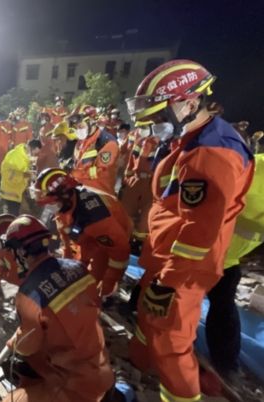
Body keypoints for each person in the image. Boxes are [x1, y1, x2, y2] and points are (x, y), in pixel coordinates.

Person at [126, 59, 254, 402]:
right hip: (165, 253)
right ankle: (139, 362)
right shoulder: (189, 140)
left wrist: (168, 281)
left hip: (185, 266)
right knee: (147, 314)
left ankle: (180, 394)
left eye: (157, 116)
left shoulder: (212, 152)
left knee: (171, 340)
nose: (153, 125)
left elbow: (201, 231)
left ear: (188, 102)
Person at [0, 215, 114, 402]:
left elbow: (27, 347)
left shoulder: (29, 294)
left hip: (77, 390)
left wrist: (14, 343)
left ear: (20, 252)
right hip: (103, 373)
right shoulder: (78, 268)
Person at [206, 151, 264, 378]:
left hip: (228, 254)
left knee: (222, 305)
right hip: (208, 245)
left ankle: (226, 363)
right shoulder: (254, 165)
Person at [33, 168, 131, 297]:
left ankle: (103, 296)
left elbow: (120, 250)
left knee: (91, 284)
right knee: (75, 277)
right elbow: (67, 237)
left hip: (110, 240)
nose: (49, 207)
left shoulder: (95, 217)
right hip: (87, 236)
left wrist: (110, 280)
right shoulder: (66, 205)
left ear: (64, 197)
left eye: (51, 203)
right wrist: (67, 265)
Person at [119, 125, 160, 252]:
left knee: (145, 220)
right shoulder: (139, 139)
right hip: (134, 181)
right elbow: (132, 159)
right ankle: (125, 240)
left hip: (151, 183)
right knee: (125, 213)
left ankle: (140, 245)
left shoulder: (162, 141)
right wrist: (127, 180)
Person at [69, 105, 120, 195]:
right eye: (76, 127)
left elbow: (102, 172)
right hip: (82, 190)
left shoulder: (106, 142)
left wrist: (77, 173)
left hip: (101, 194)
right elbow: (78, 163)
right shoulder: (80, 143)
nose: (78, 130)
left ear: (91, 121)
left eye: (80, 126)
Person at [0, 139, 42, 215]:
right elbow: (8, 175)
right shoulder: (15, 155)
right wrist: (24, 175)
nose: (34, 156)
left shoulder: (25, 157)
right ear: (30, 148)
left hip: (18, 192)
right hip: (10, 193)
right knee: (11, 217)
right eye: (34, 153)